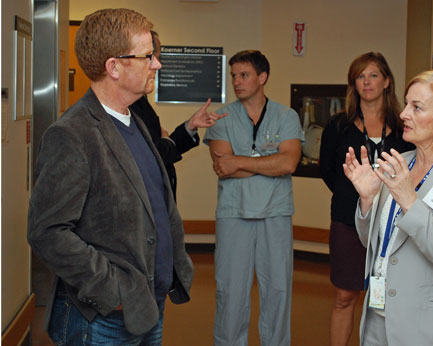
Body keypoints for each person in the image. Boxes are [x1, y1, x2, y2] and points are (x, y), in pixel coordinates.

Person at [27, 8, 193, 345]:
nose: (157, 64)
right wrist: (112, 290)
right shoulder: (72, 134)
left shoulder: (135, 123)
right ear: (114, 67)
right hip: (104, 317)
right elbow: (48, 231)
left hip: (149, 304)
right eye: (148, 56)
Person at [343, 70, 433, 346]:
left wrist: (409, 200)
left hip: (429, 326)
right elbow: (374, 243)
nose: (403, 114)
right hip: (378, 315)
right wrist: (367, 200)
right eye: (407, 104)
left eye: (417, 107)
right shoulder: (400, 163)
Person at [203, 50, 304, 346]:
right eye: (233, 76)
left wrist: (241, 162)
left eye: (244, 75)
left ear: (262, 78)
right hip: (234, 214)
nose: (237, 81)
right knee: (230, 292)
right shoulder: (221, 117)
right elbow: (223, 166)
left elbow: (288, 164)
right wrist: (267, 163)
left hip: (276, 213)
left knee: (278, 292)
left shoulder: (287, 116)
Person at [320, 52, 414, 346]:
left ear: (387, 81)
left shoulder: (403, 129)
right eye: (360, 76)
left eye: (373, 75)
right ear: (353, 84)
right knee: (344, 296)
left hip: (393, 227)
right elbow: (328, 172)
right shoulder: (338, 126)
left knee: (385, 299)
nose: (366, 82)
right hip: (348, 221)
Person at [130, 31, 225, 201]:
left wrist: (190, 126)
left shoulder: (140, 100)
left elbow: (162, 147)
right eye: (152, 57)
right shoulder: (128, 106)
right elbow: (152, 155)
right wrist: (164, 141)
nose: (158, 65)